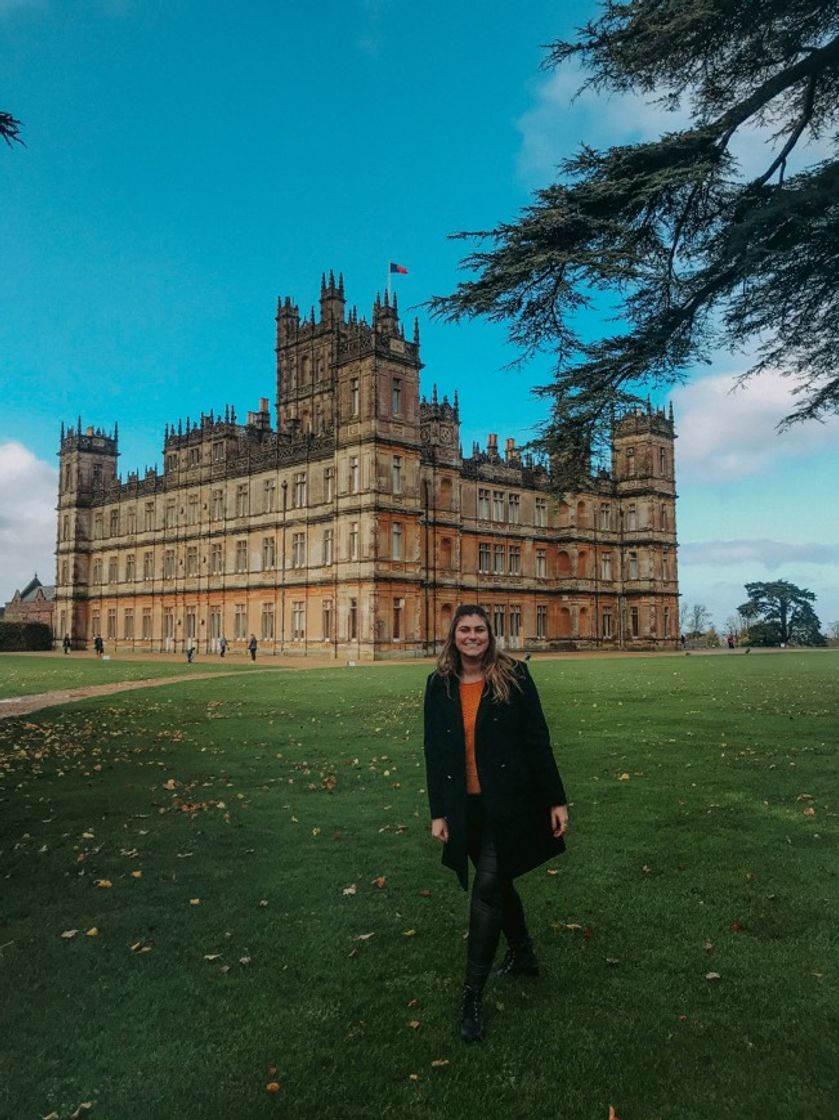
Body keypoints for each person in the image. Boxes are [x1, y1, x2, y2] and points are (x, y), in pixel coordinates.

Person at [423, 604, 569, 1044]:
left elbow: (537, 740)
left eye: (480, 630)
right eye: (464, 630)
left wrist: (555, 799)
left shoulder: (515, 677)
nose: (472, 637)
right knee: (499, 883)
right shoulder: (439, 685)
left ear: (492, 634)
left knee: (486, 888)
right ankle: (523, 954)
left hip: (509, 801)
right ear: (453, 635)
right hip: (464, 806)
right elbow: (434, 752)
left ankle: (471, 995)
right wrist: (437, 812)